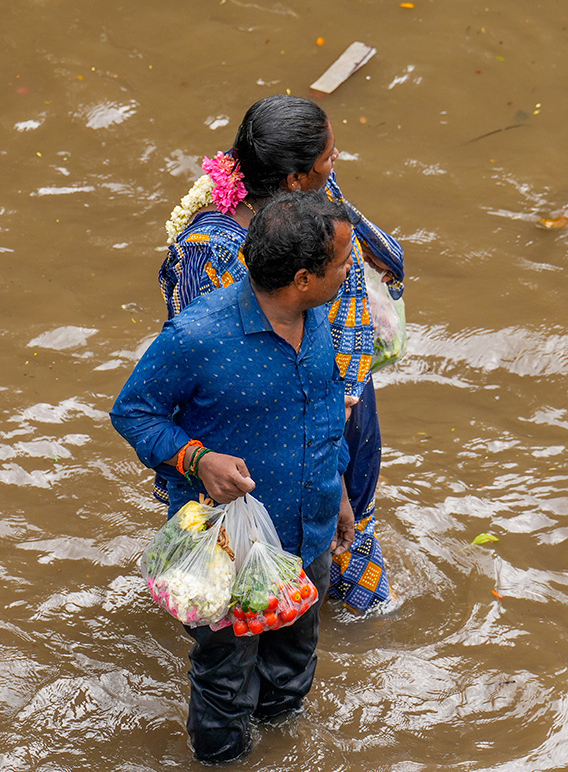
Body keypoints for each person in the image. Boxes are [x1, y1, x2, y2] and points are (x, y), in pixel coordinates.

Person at [112, 192, 357, 763]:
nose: (350, 274)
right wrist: (197, 459)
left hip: (310, 528)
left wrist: (340, 493)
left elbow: (322, 412)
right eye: (343, 264)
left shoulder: (314, 319)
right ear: (302, 277)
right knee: (225, 675)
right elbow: (133, 412)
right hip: (227, 546)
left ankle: (277, 763)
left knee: (294, 659)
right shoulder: (196, 337)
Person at [158, 94, 405, 615]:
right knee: (257, 554)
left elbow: (360, 234)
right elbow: (201, 360)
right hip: (272, 417)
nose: (335, 163)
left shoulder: (317, 197)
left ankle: (349, 608)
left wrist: (343, 398)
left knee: (348, 509)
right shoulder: (212, 247)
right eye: (329, 157)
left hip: (342, 393)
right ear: (294, 180)